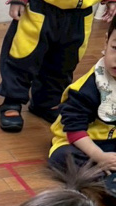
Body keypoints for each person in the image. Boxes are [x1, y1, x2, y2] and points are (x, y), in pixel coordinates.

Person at [0, 0, 116, 133]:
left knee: (64, 62)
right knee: (24, 54)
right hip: (43, 7)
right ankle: (12, 101)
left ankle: (46, 102)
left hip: (81, 13)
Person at [48, 13, 116, 194]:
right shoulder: (88, 87)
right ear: (106, 41)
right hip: (81, 142)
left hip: (112, 141)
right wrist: (99, 156)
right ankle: (101, 175)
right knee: (62, 157)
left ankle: (105, 171)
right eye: (115, 48)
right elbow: (74, 130)